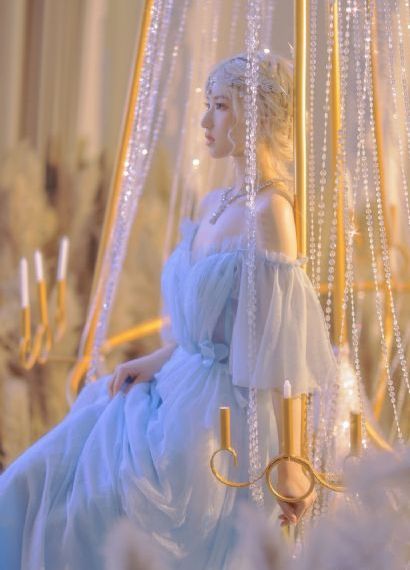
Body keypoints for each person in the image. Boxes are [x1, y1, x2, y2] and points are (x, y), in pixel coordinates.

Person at [0, 52, 338, 569]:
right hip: (172, 387)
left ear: (256, 114)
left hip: (217, 417)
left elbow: (283, 352)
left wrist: (290, 461)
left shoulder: (271, 212)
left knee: (88, 509)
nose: (205, 121)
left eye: (220, 106)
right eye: (207, 104)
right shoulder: (213, 203)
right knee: (32, 479)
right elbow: (202, 331)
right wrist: (151, 361)